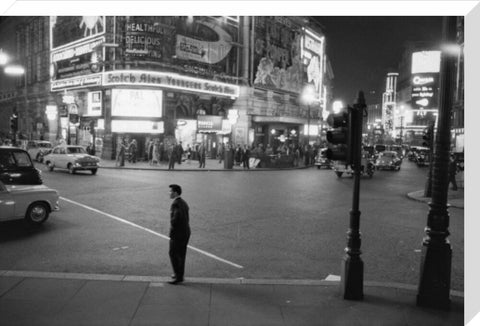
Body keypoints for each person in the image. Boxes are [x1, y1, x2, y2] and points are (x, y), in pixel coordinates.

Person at [167, 184, 190, 284]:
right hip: (185, 232)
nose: (169, 193)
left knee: (173, 254)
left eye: (171, 191)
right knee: (181, 254)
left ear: (175, 193)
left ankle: (178, 276)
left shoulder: (175, 204)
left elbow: (176, 219)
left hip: (178, 234)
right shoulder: (183, 202)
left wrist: (172, 225)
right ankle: (179, 274)